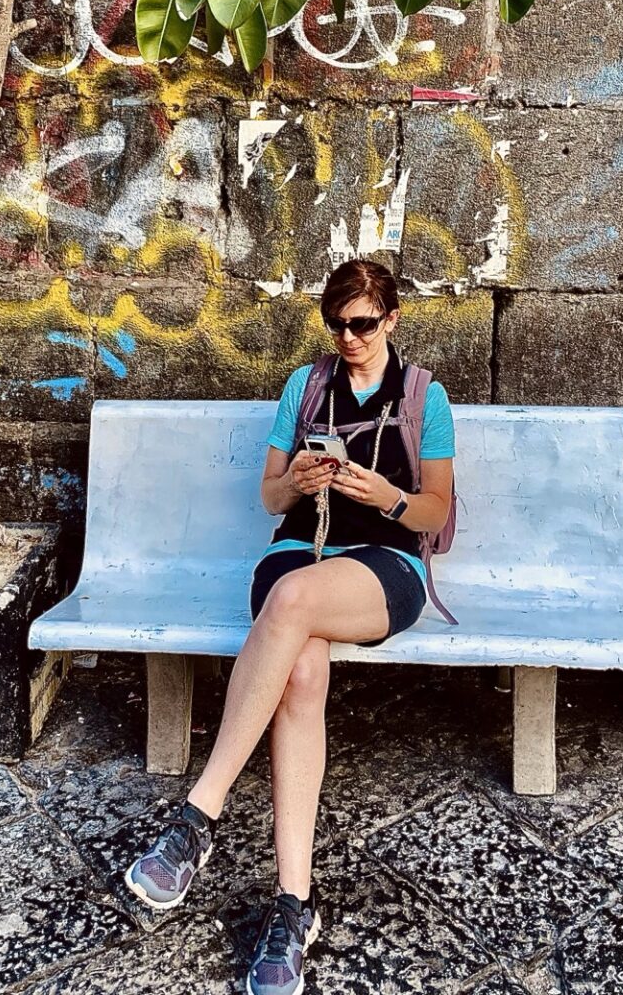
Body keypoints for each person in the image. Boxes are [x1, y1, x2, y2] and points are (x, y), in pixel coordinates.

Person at [124, 258, 456, 995]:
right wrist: (301, 482)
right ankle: (294, 907)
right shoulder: (305, 389)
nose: (349, 337)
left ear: (392, 321)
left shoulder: (423, 396)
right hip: (297, 554)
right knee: (302, 669)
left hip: (383, 567)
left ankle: (197, 817)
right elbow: (271, 497)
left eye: (363, 324)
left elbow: (435, 509)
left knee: (295, 604)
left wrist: (387, 495)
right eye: (336, 324)